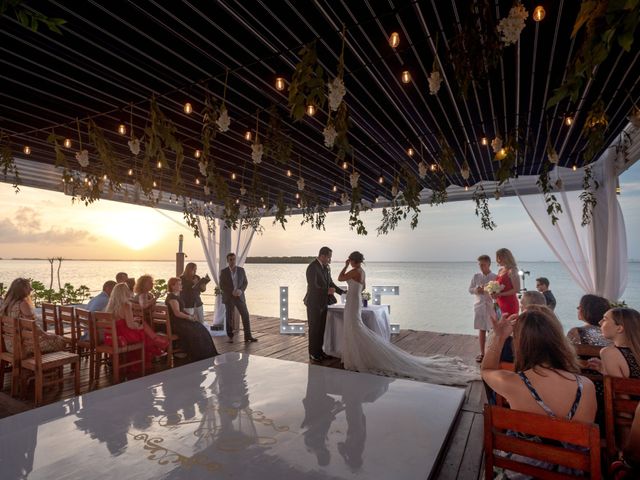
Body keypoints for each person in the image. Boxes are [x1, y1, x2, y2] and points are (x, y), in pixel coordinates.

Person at [482, 306, 597, 477]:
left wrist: (498, 338)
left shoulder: (514, 383)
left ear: (520, 345)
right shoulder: (586, 386)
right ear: (558, 340)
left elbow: (486, 371)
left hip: (521, 472)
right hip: (570, 472)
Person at [338, 251, 478, 385]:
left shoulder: (355, 271)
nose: (349, 262)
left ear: (353, 261)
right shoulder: (362, 272)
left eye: (350, 260)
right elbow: (363, 288)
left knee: (354, 327)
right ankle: (358, 356)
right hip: (355, 300)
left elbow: (340, 278)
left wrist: (344, 266)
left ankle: (357, 358)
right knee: (355, 326)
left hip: (352, 301)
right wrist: (354, 291)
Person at [104, 283, 167, 369]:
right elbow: (130, 326)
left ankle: (157, 346)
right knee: (144, 331)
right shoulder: (126, 305)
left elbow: (120, 321)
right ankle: (157, 346)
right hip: (124, 336)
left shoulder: (110, 306)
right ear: (125, 293)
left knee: (141, 324)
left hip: (111, 337)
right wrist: (139, 326)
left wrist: (135, 322)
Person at [0, 278, 65, 355]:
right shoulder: (22, 304)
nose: (31, 289)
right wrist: (46, 335)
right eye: (28, 287)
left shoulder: (7, 304)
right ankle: (44, 365)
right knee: (60, 340)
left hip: (8, 344)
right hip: (21, 346)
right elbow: (33, 326)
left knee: (52, 338)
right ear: (22, 290)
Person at [304, 246, 345, 362]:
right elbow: (313, 287)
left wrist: (343, 292)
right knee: (314, 328)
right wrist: (326, 291)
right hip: (313, 303)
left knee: (321, 328)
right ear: (322, 256)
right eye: (329, 257)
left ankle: (320, 351)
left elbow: (331, 283)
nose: (330, 260)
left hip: (323, 303)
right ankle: (313, 353)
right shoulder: (312, 268)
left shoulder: (327, 268)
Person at [165, 277, 217, 362]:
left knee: (200, 327)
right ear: (173, 286)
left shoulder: (176, 296)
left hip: (179, 321)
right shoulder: (172, 298)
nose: (181, 285)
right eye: (179, 284)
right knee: (196, 329)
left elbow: (182, 310)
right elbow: (177, 313)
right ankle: (197, 353)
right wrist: (189, 317)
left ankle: (204, 352)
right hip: (176, 323)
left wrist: (191, 315)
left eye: (181, 283)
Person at [588, 308, 640, 379]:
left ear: (619, 328)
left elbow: (617, 388)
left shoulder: (609, 353)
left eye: (605, 319)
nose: (600, 322)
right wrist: (605, 370)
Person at [220, 252, 256, 343]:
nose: (232, 261)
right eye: (230, 259)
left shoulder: (241, 270)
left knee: (245, 315)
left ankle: (248, 336)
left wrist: (241, 290)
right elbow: (222, 285)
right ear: (227, 261)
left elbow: (245, 283)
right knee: (229, 317)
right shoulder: (224, 272)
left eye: (234, 259)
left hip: (240, 296)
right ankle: (230, 336)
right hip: (229, 297)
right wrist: (231, 291)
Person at [468, 254, 497, 363]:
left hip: (490, 306)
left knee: (492, 330)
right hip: (479, 305)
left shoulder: (494, 276)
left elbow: (498, 292)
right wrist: (476, 290)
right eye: (480, 265)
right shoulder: (476, 276)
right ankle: (482, 353)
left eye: (483, 264)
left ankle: (492, 353)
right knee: (481, 330)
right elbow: (470, 290)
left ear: (489, 264)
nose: (481, 266)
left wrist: (492, 292)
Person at [492, 248, 520, 317]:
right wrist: (492, 291)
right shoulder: (500, 270)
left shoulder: (513, 270)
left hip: (509, 303)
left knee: (510, 325)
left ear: (506, 258)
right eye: (497, 258)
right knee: (499, 324)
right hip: (498, 303)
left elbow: (516, 289)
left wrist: (501, 294)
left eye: (499, 258)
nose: (498, 260)